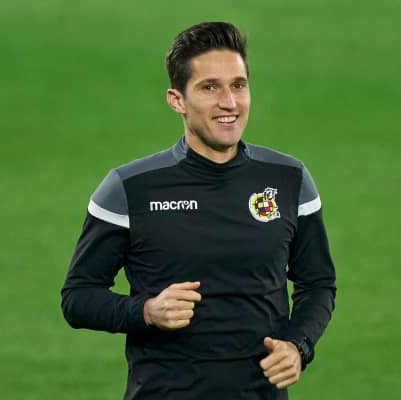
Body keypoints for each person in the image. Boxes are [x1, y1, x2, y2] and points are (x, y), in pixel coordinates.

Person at [61, 21, 336, 400]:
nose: (229, 103)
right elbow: (78, 297)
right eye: (210, 88)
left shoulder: (289, 179)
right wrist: (146, 311)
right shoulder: (131, 188)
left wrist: (297, 345)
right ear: (177, 100)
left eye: (238, 85)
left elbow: (317, 283)